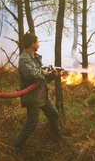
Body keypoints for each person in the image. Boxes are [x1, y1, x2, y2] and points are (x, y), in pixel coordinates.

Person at [14, 32, 66, 160]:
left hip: (42, 95)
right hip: (33, 98)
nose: (39, 44)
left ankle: (57, 137)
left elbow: (41, 78)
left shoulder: (34, 57)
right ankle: (16, 148)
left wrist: (51, 75)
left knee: (53, 114)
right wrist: (46, 72)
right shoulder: (24, 59)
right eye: (37, 42)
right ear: (32, 44)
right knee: (31, 123)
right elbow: (34, 75)